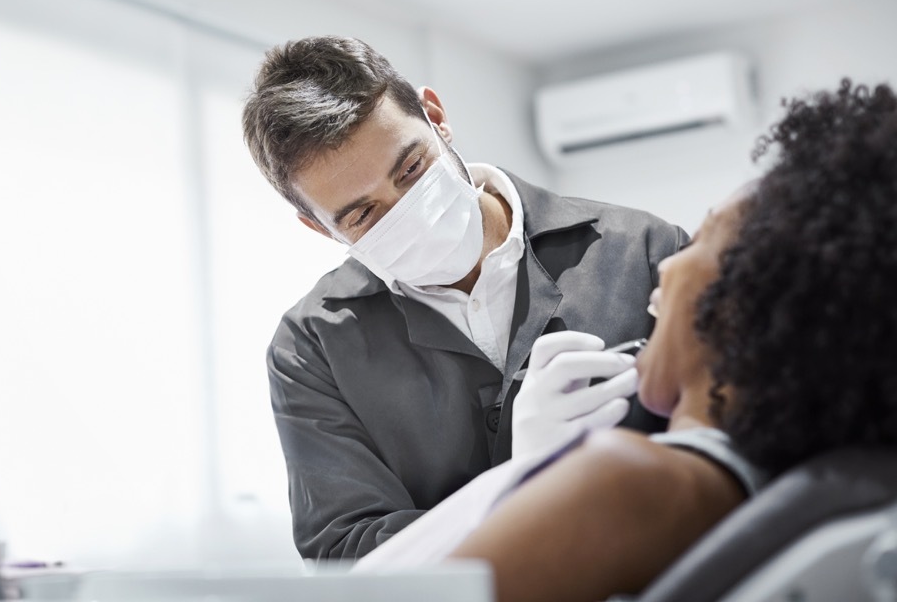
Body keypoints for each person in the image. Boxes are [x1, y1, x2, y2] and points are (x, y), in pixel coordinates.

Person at [356, 78, 897, 602]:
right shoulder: (776, 485)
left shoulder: (627, 482)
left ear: (750, 302)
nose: (668, 265)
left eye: (704, 239)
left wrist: (528, 477)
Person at [241, 35, 687, 559]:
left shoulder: (645, 250)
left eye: (410, 169)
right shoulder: (313, 347)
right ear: (318, 228)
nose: (409, 211)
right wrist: (516, 488)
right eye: (363, 215)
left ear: (435, 115)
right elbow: (348, 556)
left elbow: (734, 431)